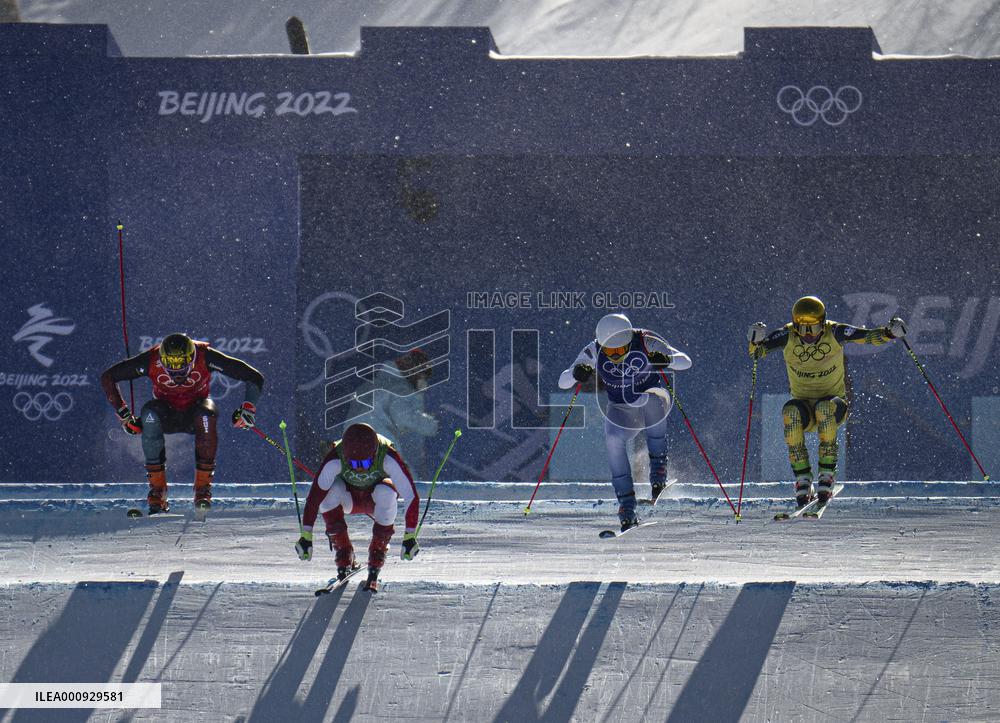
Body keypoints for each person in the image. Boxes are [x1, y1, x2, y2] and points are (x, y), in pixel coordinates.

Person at [748, 296, 906, 509]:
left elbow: (866, 337)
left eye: (814, 329)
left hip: (833, 405)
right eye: (803, 330)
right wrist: (755, 340)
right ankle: (803, 479)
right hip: (804, 407)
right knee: (790, 412)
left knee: (824, 408)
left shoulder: (835, 332)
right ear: (795, 327)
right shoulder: (787, 334)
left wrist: (889, 333)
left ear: (823, 324)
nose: (809, 336)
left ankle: (827, 475)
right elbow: (758, 352)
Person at [100, 332, 264, 514]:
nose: (177, 370)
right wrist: (124, 414)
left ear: (193, 356)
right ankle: (158, 493)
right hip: (166, 414)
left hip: (196, 413)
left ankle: (202, 490)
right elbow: (108, 377)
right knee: (149, 414)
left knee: (206, 415)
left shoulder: (205, 355)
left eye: (182, 363)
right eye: (171, 364)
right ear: (162, 359)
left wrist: (248, 408)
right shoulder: (151, 359)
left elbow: (253, 376)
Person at [558, 312, 691, 532]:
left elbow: (686, 361)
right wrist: (576, 373)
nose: (615, 355)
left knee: (648, 401)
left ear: (629, 342)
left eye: (620, 350)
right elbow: (563, 382)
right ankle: (626, 506)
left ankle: (658, 473)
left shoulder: (645, 340)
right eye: (610, 351)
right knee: (612, 439)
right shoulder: (593, 350)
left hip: (654, 398)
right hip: (622, 410)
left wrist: (667, 360)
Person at [295, 422, 420, 592]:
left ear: (375, 453)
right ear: (345, 457)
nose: (360, 469)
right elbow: (314, 497)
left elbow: (411, 495)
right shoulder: (334, 458)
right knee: (328, 491)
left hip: (375, 501)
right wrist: (306, 535)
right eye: (354, 464)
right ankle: (344, 554)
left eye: (366, 463)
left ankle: (377, 557)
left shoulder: (388, 456)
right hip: (349, 499)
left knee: (387, 491)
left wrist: (410, 535)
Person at [344, 348, 439, 478]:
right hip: (377, 435)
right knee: (404, 478)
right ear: (413, 371)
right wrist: (431, 425)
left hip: (350, 436)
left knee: (363, 476)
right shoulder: (400, 387)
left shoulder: (378, 381)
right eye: (421, 376)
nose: (422, 382)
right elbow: (403, 416)